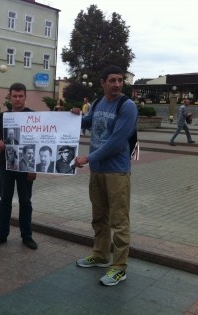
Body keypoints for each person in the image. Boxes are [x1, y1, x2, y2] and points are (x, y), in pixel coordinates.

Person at [72, 65, 138, 286]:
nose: (117, 84)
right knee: (99, 216)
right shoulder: (100, 102)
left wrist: (88, 158)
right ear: (103, 82)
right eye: (112, 80)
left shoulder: (127, 106)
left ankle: (119, 267)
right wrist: (75, 118)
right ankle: (100, 255)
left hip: (116, 171)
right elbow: (89, 122)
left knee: (119, 220)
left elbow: (116, 142)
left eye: (120, 80)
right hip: (98, 170)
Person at [0, 82, 37, 250]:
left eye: (20, 96)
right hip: (6, 165)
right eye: (14, 96)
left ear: (25, 97)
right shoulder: (3, 117)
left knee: (25, 202)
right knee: (5, 201)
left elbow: (38, 143)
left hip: (26, 166)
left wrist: (33, 168)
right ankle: (1, 234)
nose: (17, 99)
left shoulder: (33, 116)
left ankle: (27, 236)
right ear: (10, 96)